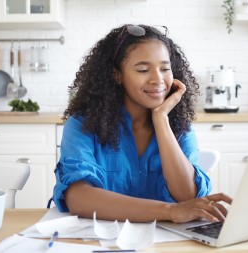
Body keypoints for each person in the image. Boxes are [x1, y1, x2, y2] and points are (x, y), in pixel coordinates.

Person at [52, 24, 232, 223]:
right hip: (100, 241)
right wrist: (170, 211)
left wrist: (161, 119)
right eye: (143, 70)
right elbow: (79, 198)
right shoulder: (82, 125)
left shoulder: (179, 126)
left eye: (165, 68)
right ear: (117, 75)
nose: (158, 79)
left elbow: (188, 197)